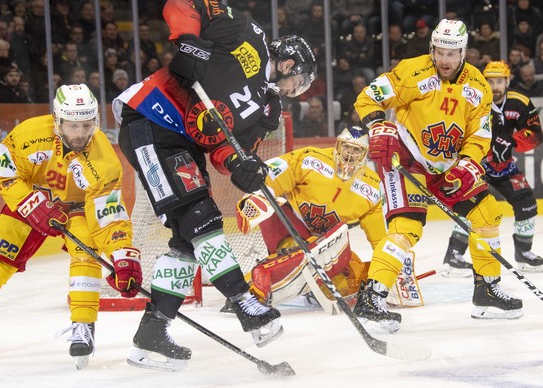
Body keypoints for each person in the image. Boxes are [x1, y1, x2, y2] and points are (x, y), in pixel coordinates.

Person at [112, 0, 315, 372]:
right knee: (201, 218)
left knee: (188, 240)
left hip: (182, 144)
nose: (296, 89)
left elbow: (225, 151)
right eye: (299, 80)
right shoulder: (249, 38)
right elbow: (185, 4)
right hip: (151, 116)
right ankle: (244, 302)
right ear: (288, 64)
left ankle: (153, 333)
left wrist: (242, 166)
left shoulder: (268, 110)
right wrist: (189, 43)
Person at [353, 19, 523, 333]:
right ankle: (372, 297)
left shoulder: (479, 87)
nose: (444, 60)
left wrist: (469, 163)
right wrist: (377, 125)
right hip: (407, 161)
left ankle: (486, 291)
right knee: (407, 228)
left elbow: (479, 135)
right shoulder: (411, 71)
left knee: (488, 212)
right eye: (439, 52)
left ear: (464, 52)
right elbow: (368, 97)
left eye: (452, 53)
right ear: (432, 48)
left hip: (448, 168)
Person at [0, 84, 142, 369]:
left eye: (86, 125)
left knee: (86, 248)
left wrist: (122, 255)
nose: (80, 133)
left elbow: (109, 216)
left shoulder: (104, 161)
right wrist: (31, 203)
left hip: (77, 210)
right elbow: (2, 174)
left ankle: (83, 325)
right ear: (57, 120)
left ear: (94, 122)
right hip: (29, 202)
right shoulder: (29, 135)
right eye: (72, 125)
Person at [232, 127, 422, 313]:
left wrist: (393, 265)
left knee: (348, 284)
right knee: (292, 249)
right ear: (337, 145)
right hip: (289, 227)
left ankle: (307, 285)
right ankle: (247, 292)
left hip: (327, 244)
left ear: (365, 154)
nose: (349, 153)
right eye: (346, 147)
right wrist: (254, 198)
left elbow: (379, 239)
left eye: (356, 150)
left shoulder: (372, 187)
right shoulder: (310, 158)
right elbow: (272, 175)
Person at [443, 61, 543, 273]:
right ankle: (454, 256)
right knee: (467, 206)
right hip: (475, 164)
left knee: (527, 203)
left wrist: (512, 140)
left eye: (499, 81)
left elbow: (535, 134)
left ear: (508, 81)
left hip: (503, 166)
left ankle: (523, 254)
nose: (495, 86)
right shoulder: (471, 100)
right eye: (490, 81)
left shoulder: (520, 102)